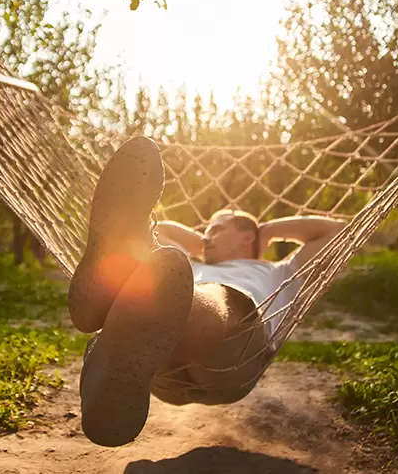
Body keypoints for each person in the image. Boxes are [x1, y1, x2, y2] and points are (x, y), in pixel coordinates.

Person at [68, 137, 345, 447]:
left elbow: (337, 233)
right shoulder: (179, 264)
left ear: (246, 237)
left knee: (202, 289)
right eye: (206, 231)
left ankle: (114, 314)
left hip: (237, 356)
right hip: (156, 368)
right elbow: (163, 231)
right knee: (158, 266)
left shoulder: (281, 271)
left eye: (217, 228)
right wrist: (203, 243)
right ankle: (119, 335)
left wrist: (265, 230)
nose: (207, 236)